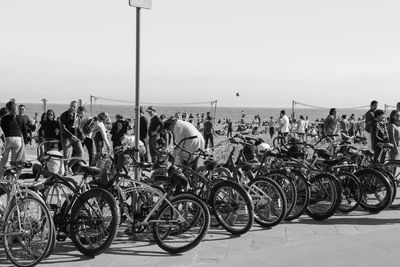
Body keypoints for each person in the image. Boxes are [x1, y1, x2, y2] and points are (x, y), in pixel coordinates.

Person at [0, 100, 27, 176]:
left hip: (8, 139)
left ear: (7, 109)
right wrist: (25, 142)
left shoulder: (4, 118)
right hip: (18, 140)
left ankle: (1, 177)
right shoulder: (19, 118)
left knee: (3, 160)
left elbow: (2, 131)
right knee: (14, 162)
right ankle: (12, 178)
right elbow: (24, 130)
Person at [59, 101, 83, 175]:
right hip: (66, 137)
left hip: (75, 136)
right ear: (69, 106)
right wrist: (71, 136)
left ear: (76, 107)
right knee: (66, 154)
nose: (72, 107)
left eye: (74, 106)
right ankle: (65, 170)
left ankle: (69, 166)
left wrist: (82, 135)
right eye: (71, 106)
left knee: (80, 153)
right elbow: (63, 128)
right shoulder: (64, 115)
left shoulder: (78, 116)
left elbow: (78, 127)